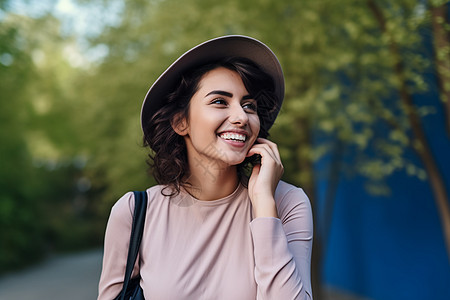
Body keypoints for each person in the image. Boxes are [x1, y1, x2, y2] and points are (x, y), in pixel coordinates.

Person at [98, 35, 313, 299]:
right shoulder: (134, 213)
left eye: (249, 106)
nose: (241, 117)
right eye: (220, 101)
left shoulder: (288, 203)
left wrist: (265, 206)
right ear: (181, 122)